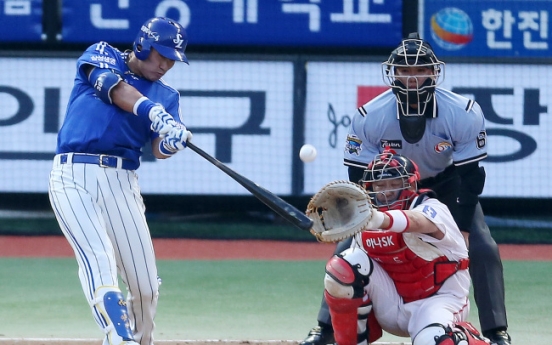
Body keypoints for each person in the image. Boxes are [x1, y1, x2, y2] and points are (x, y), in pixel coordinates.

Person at [301, 33, 511, 345]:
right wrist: (356, 216)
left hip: (446, 182)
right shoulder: (369, 117)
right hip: (391, 187)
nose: (412, 77)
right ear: (393, 74)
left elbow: (471, 179)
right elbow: (359, 177)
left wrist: (464, 227)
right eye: (405, 71)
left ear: (433, 72)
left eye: (420, 70)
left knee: (483, 247)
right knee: (347, 250)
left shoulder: (463, 111)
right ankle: (324, 329)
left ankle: (497, 332)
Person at [48, 17, 192, 345]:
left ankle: (139, 340)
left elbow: (159, 149)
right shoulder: (103, 54)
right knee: (98, 260)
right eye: (161, 54)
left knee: (145, 286)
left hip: (122, 180)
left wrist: (171, 141)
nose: (166, 64)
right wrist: (151, 111)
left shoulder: (168, 96)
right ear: (143, 44)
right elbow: (113, 88)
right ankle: (118, 338)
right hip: (72, 174)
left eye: (172, 58)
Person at [323, 148, 491, 345]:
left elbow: (417, 222)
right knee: (342, 267)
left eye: (394, 184)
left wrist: (379, 219)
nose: (386, 191)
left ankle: (468, 339)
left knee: (432, 340)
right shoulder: (367, 221)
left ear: (411, 186)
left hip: (440, 301)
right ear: (370, 188)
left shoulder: (432, 207)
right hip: (393, 305)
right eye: (380, 185)